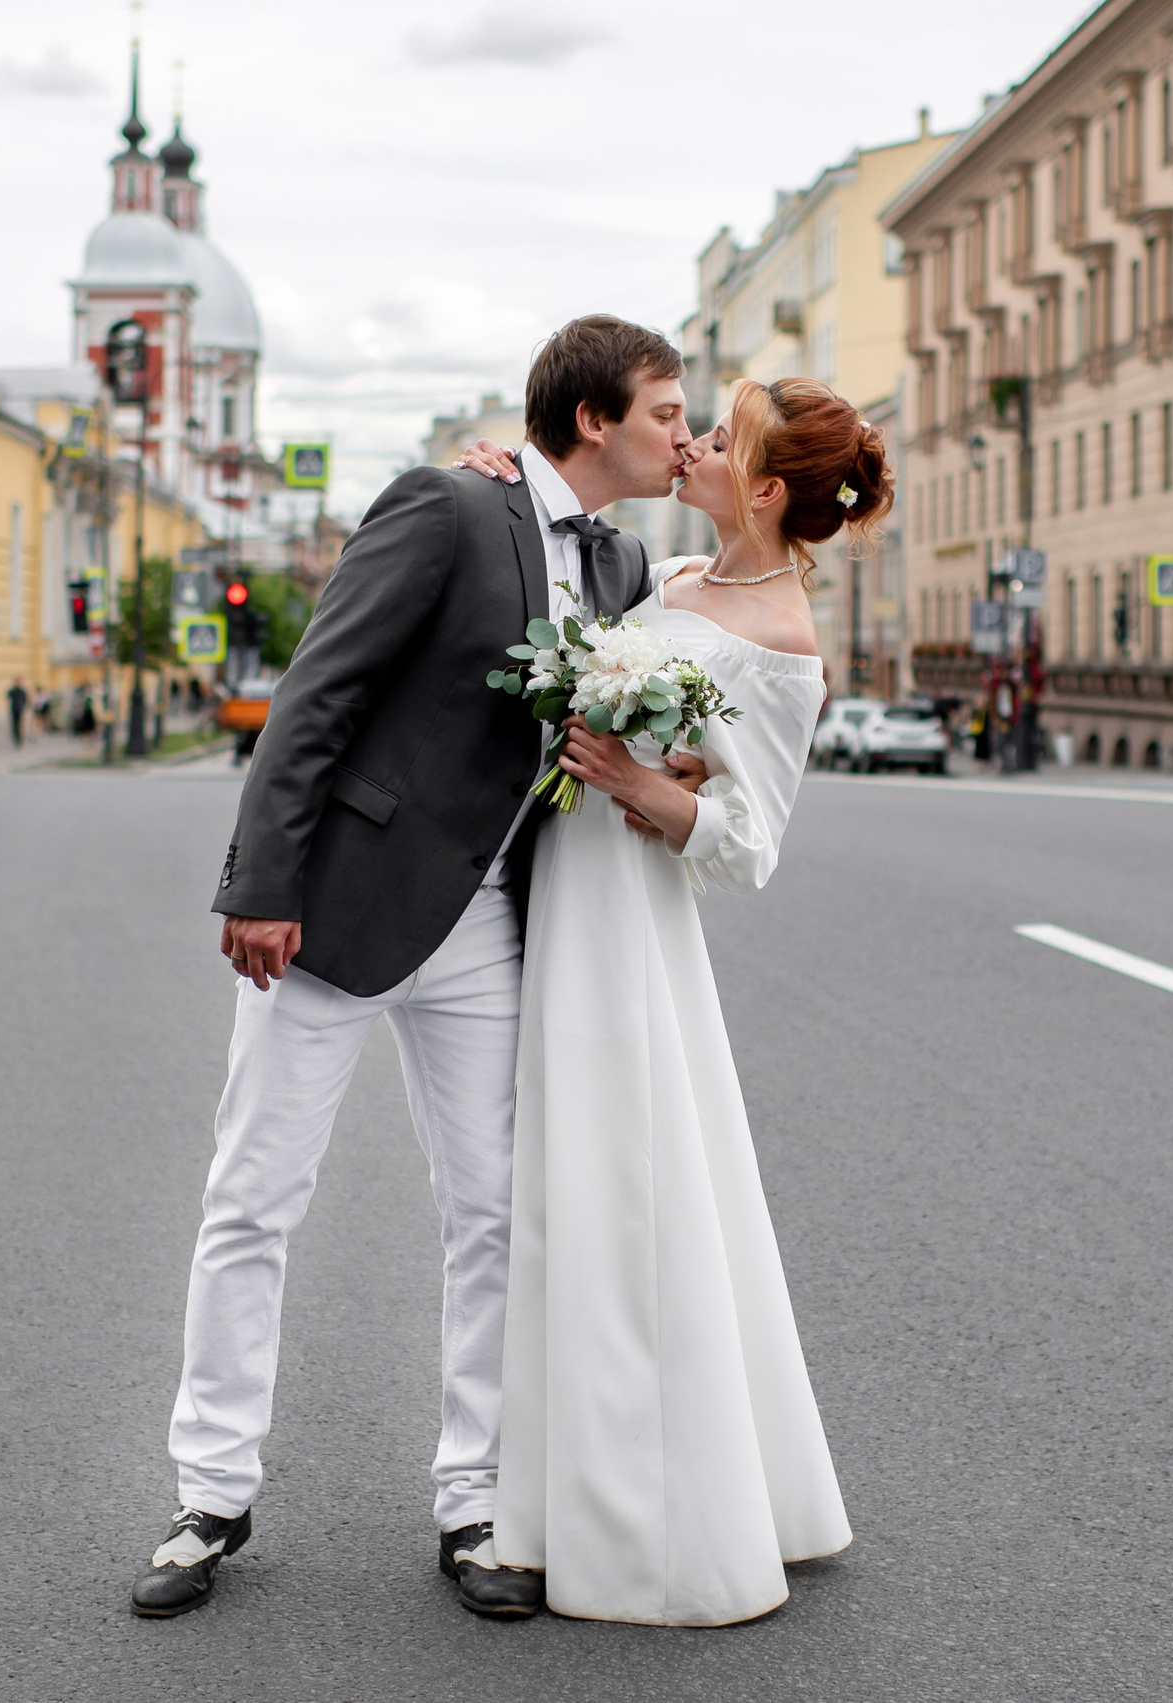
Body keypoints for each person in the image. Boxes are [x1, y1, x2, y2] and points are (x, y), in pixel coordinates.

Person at [135, 316, 697, 1622]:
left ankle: (476, 1502)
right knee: (254, 1196)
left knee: (498, 1213)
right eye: (668, 411)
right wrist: (261, 881)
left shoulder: (617, 560)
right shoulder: (448, 505)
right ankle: (208, 1492)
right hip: (335, 912)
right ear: (595, 418)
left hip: (492, 922)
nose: (684, 432)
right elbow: (319, 685)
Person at [454, 375, 866, 1626]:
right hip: (560, 890)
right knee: (558, 1196)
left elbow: (747, 845)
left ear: (770, 488)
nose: (688, 443)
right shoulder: (672, 576)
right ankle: (543, 1491)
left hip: (632, 928)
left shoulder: (784, 639)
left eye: (719, 439)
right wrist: (500, 474)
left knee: (625, 1197)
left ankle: (645, 1525)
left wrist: (639, 781)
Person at [6, 678, 30, 749]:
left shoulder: (16, 691)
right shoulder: (20, 691)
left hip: (16, 709)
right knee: (17, 725)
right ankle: (18, 739)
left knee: (17, 725)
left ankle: (18, 739)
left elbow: (8, 697)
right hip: (17, 709)